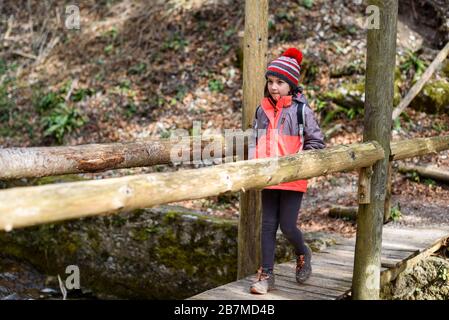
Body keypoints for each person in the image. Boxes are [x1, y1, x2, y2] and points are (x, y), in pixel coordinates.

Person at [248, 48, 325, 294]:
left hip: (292, 178)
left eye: (280, 82)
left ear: (291, 84)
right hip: (268, 176)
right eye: (270, 81)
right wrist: (252, 164)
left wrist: (302, 162)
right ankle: (266, 274)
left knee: (288, 225)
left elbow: (316, 143)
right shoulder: (262, 110)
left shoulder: (301, 111)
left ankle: (302, 252)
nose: (273, 87)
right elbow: (255, 140)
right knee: (268, 225)